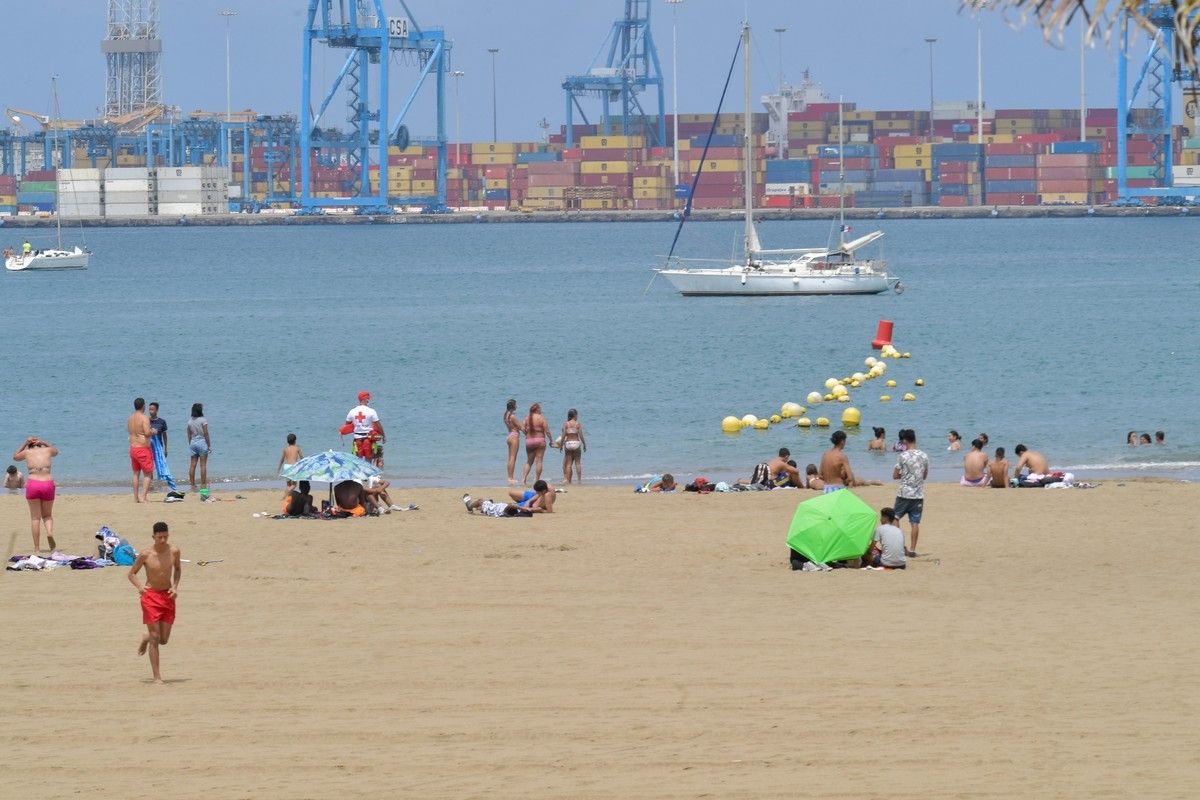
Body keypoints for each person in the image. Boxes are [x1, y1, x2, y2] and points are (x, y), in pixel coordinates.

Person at [128, 521, 181, 684]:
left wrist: (175, 586)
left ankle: (147, 638)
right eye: (160, 537)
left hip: (168, 596)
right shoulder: (146, 554)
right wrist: (140, 587)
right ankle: (157, 677)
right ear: (153, 537)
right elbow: (131, 573)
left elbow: (178, 569)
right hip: (150, 596)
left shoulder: (174, 551)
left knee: (163, 640)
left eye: (165, 536)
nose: (163, 540)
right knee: (156, 636)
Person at [13, 437, 57, 552]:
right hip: (47, 483)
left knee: (35, 518)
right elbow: (56, 451)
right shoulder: (47, 450)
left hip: (33, 484)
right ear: (40, 445)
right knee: (47, 515)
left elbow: (15, 457)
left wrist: (25, 443)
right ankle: (49, 532)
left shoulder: (27, 452)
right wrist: (43, 442)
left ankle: (37, 548)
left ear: (30, 446)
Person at [892, 428, 928, 557]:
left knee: (895, 517)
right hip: (918, 494)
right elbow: (924, 475)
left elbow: (895, 475)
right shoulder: (924, 455)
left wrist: (904, 474)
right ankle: (912, 550)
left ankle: (900, 546)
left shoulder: (903, 456)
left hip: (904, 493)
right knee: (915, 523)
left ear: (905, 441)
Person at [127, 397, 155, 503]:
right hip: (142, 448)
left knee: (135, 473)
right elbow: (147, 433)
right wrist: (153, 431)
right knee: (148, 473)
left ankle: (135, 498)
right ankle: (143, 497)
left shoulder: (130, 418)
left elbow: (130, 431)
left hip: (133, 448)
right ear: (143, 406)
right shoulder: (144, 418)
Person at [346, 391, 384, 463]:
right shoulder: (371, 411)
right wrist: (383, 436)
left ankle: (359, 473)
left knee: (358, 459)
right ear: (365, 399)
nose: (368, 400)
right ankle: (369, 473)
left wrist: (357, 425)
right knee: (369, 459)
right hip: (369, 439)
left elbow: (347, 425)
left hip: (357, 439)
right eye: (368, 398)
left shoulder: (352, 411)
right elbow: (378, 425)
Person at [520, 402, 552, 485]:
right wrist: (551, 440)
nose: (541, 410)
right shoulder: (541, 418)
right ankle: (537, 480)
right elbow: (547, 431)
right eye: (540, 408)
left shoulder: (527, 418)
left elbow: (522, 428)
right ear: (537, 409)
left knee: (529, 462)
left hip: (529, 441)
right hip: (540, 441)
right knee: (539, 461)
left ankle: (523, 479)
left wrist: (527, 435)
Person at [186, 403, 211, 493]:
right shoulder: (203, 420)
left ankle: (192, 485)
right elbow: (206, 433)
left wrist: (190, 443)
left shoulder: (190, 421)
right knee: (203, 465)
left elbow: (188, 433)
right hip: (201, 442)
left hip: (193, 442)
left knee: (192, 465)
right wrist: (209, 445)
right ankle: (203, 485)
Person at [560, 408, 587, 484]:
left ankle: (568, 480)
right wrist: (584, 444)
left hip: (568, 444)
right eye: (577, 415)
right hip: (576, 443)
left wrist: (561, 445)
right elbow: (581, 436)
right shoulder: (577, 424)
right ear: (574, 415)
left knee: (568, 464)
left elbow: (563, 436)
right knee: (577, 463)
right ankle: (579, 480)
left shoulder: (566, 424)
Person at [504, 399, 521, 485]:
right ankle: (510, 478)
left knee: (510, 458)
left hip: (510, 435)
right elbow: (520, 427)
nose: (517, 406)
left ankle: (509, 477)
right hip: (514, 436)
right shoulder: (512, 417)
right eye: (516, 405)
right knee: (513, 458)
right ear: (513, 406)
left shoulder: (505, 415)